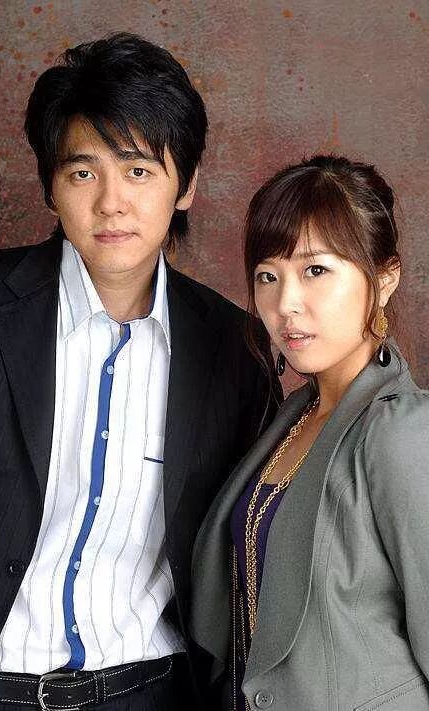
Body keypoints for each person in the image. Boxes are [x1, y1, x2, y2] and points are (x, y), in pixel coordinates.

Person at [0, 33, 280, 711]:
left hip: (151, 692)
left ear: (185, 185)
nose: (111, 202)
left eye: (138, 171)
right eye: (84, 173)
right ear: (51, 185)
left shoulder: (235, 351)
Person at [190, 155, 429, 711]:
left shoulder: (403, 432)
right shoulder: (290, 417)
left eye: (315, 271)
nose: (285, 304)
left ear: (384, 279)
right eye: (267, 276)